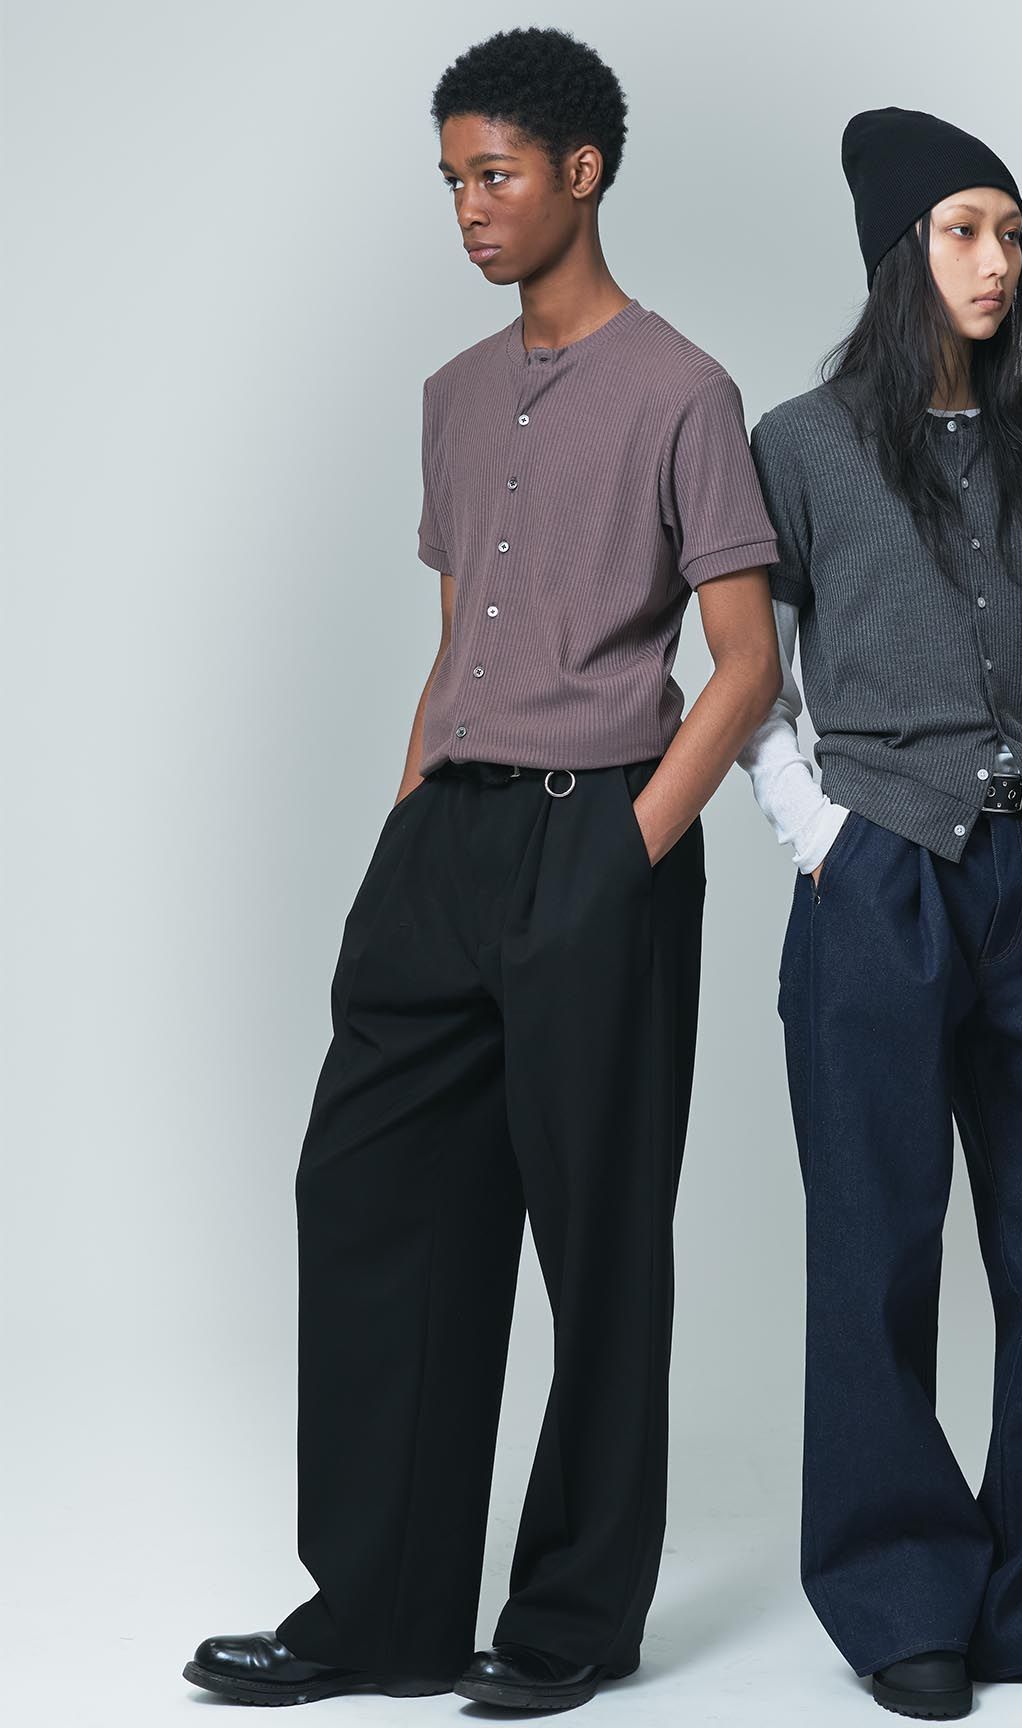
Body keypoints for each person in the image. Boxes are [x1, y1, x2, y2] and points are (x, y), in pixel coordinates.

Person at [183, 26, 782, 1712]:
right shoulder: (453, 396)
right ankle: (378, 1614)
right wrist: (406, 828)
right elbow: (458, 644)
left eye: (495, 174)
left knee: (599, 1242)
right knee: (372, 1202)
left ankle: (572, 1622)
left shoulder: (684, 391)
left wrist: (624, 853)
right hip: (442, 840)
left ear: (582, 173)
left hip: (600, 835)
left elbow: (746, 664)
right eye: (451, 179)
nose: (468, 206)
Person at [737, 106, 1022, 1719]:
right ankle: (898, 1590)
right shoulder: (799, 445)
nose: (998, 262)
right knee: (876, 1240)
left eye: (1009, 230)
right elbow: (749, 672)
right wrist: (818, 839)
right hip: (882, 879)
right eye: (964, 231)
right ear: (898, 254)